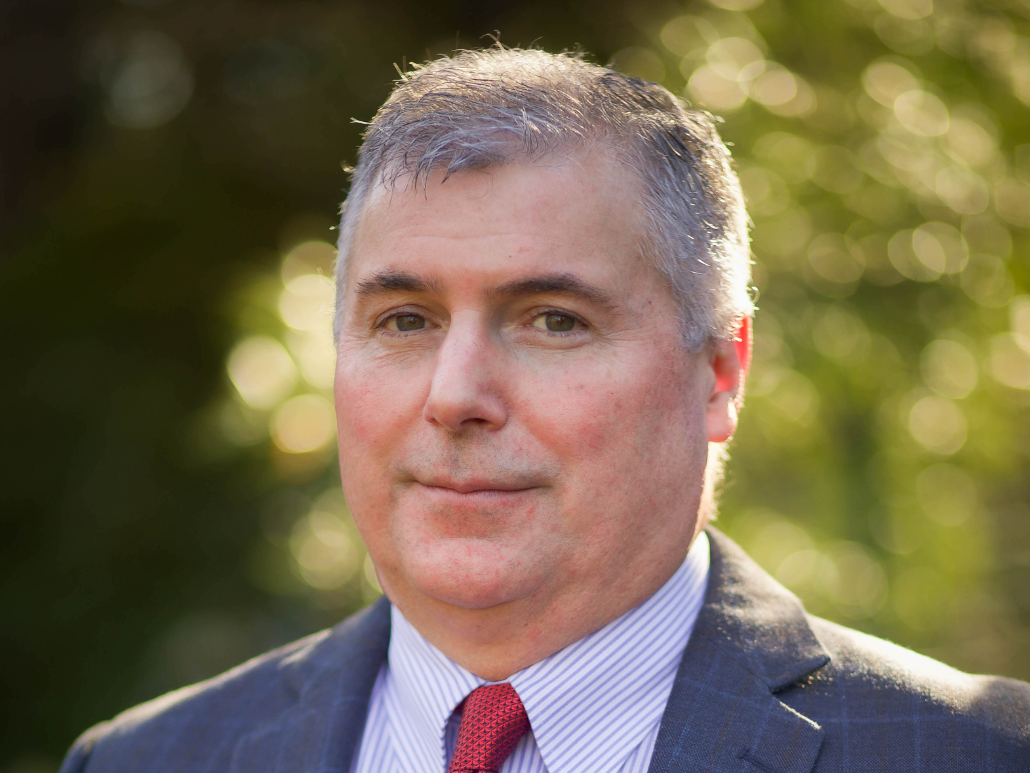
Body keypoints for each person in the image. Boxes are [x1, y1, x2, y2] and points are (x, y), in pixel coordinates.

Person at [60, 47, 1028, 773]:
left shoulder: (971, 753)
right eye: (405, 318)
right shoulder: (147, 758)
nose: (455, 395)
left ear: (720, 372)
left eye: (553, 320)